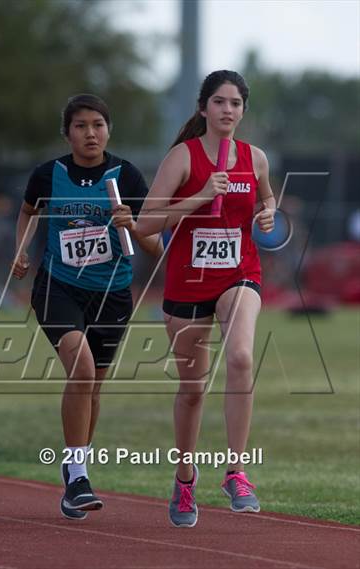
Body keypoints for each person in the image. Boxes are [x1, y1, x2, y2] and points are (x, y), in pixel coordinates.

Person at [12, 94, 162, 520]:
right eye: (80, 125)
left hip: (112, 292)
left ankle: (75, 461)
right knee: (79, 367)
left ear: (108, 130)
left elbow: (155, 244)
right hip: (58, 287)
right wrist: (21, 249)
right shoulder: (48, 175)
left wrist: (131, 223)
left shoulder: (127, 177)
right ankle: (77, 475)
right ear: (68, 133)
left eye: (98, 124)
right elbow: (27, 213)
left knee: (93, 385)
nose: (90, 132)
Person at [136, 70, 275, 527]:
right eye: (219, 102)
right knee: (193, 389)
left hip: (239, 274)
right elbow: (145, 225)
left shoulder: (254, 158)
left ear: (242, 111)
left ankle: (236, 472)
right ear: (203, 108)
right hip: (188, 283)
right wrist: (197, 197)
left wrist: (270, 212)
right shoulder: (183, 157)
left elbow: (266, 200)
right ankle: (184, 477)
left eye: (236, 103)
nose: (228, 110)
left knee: (239, 357)